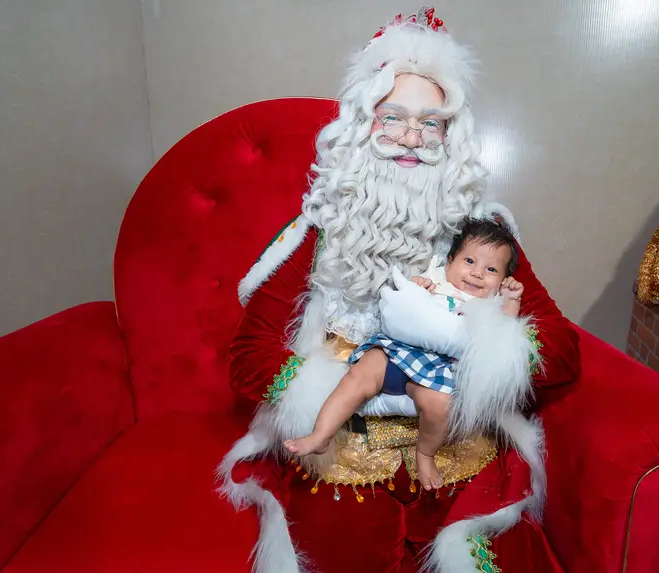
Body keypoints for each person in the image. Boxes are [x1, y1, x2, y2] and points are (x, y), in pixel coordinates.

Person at [217, 8, 581, 572]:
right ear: (362, 127)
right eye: (393, 118)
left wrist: (469, 349)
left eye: (431, 123)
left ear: (449, 137)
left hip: (457, 449)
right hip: (345, 452)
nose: (412, 137)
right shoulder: (320, 230)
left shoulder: (481, 234)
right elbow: (248, 356)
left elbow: (560, 348)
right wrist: (351, 389)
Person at [284, 218, 525, 491]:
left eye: (491, 269)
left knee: (440, 406)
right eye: (469, 261)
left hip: (439, 368)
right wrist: (418, 286)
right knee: (359, 374)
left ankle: (425, 453)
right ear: (449, 262)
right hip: (397, 351)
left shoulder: (490, 303)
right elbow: (406, 299)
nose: (477, 273)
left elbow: (504, 331)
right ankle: (321, 434)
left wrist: (511, 300)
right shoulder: (436, 277)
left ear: (502, 280)